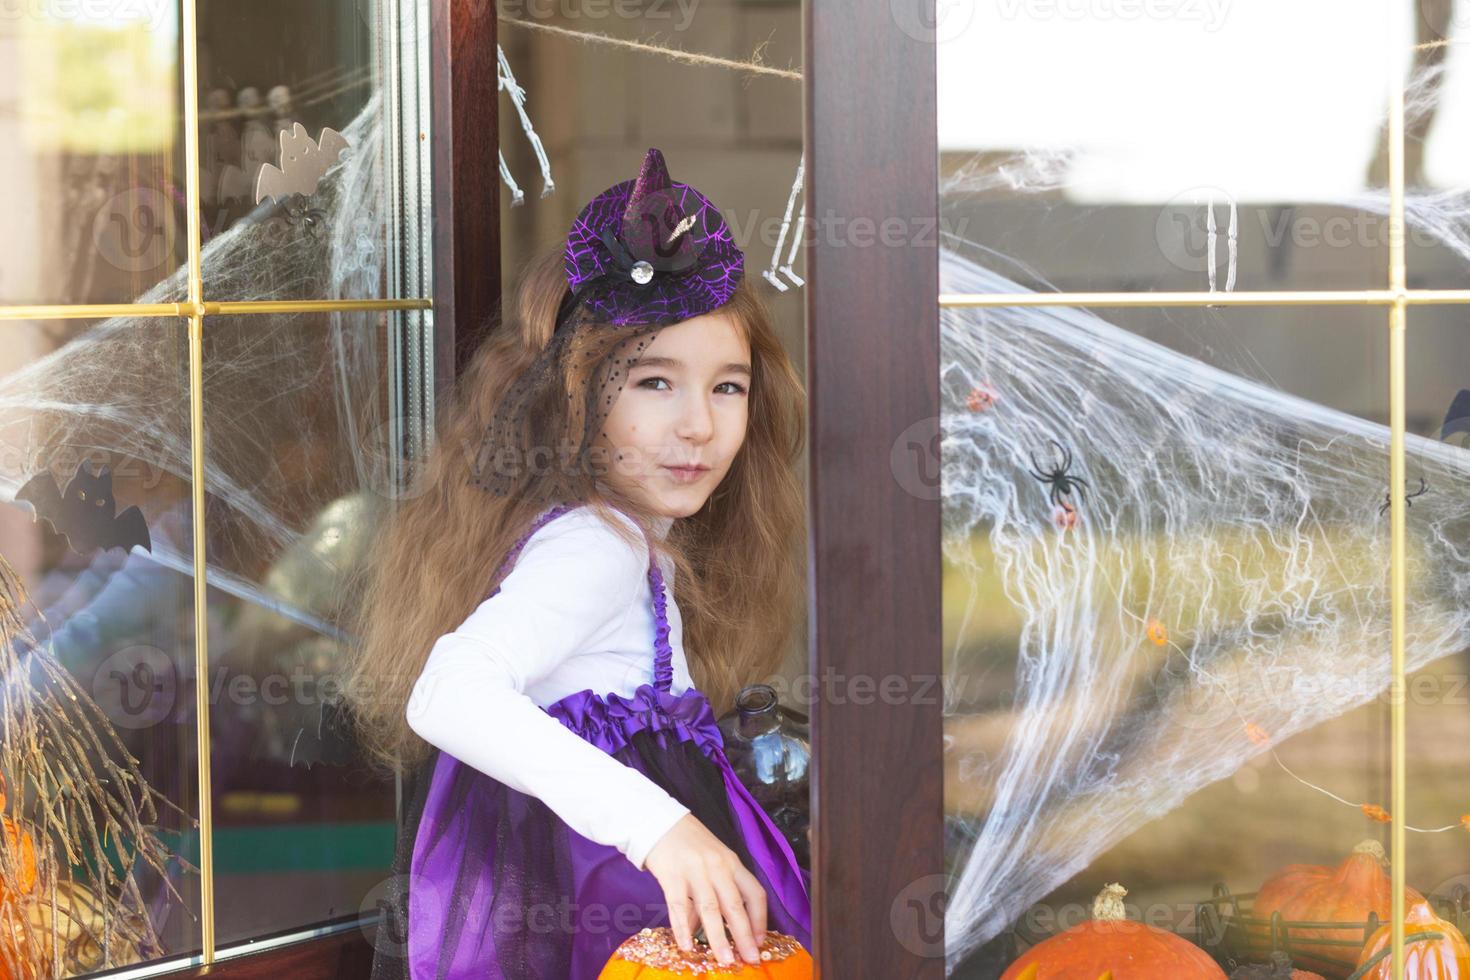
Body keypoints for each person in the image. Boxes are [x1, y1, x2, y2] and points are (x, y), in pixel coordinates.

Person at [344, 147, 811, 979]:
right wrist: (659, 827)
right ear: (574, 394)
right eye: (655, 384)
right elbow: (450, 692)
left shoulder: (616, 534)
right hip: (605, 922)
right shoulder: (597, 545)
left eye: (728, 387)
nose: (700, 426)